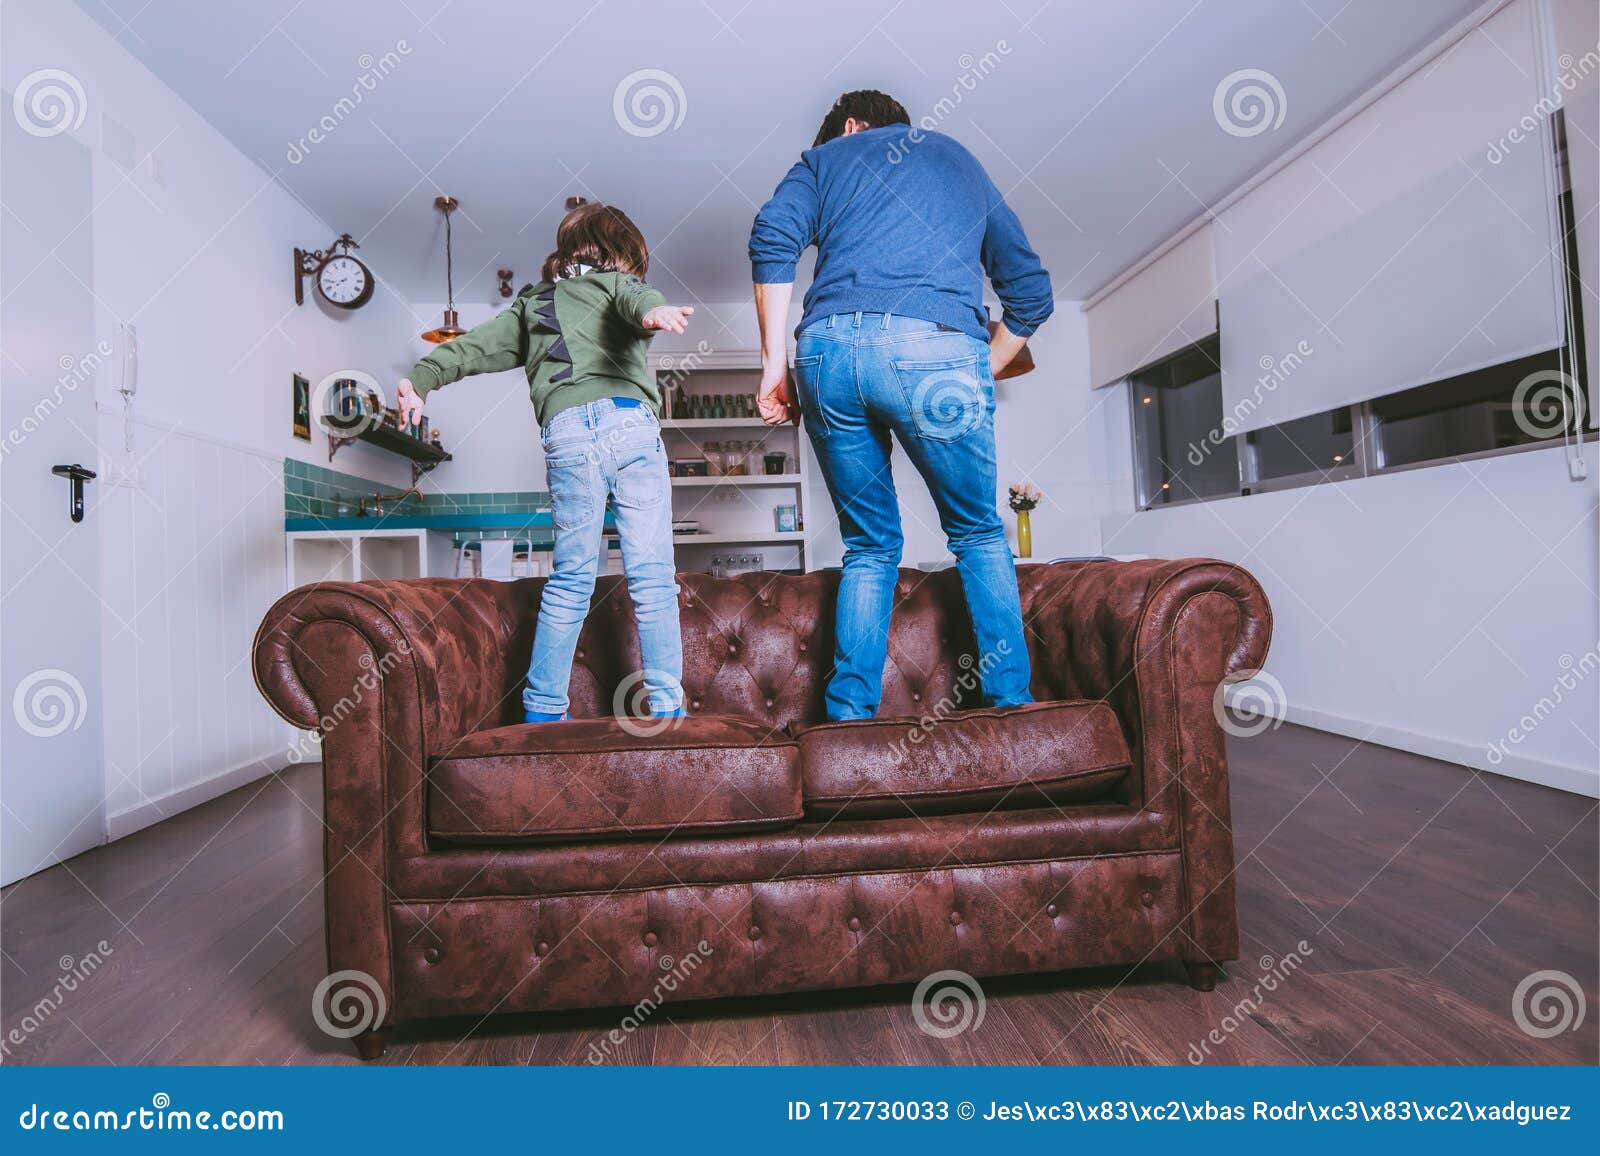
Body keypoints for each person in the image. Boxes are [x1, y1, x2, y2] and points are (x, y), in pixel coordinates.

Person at [749, 89, 1054, 721]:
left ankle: (850, 718)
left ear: (853, 126)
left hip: (827, 355)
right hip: (936, 352)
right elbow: (1029, 291)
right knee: (976, 533)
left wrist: (776, 369)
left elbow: (773, 236)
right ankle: (1014, 710)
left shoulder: (823, 160)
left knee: (869, 547)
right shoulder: (960, 162)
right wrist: (980, 366)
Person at [397, 202, 693, 723]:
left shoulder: (531, 306)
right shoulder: (615, 284)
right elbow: (636, 297)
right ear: (621, 252)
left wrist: (421, 379)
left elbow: (470, 349)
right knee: (651, 579)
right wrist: (653, 312)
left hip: (568, 435)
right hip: (629, 426)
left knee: (571, 578)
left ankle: (543, 713)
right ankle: (667, 711)